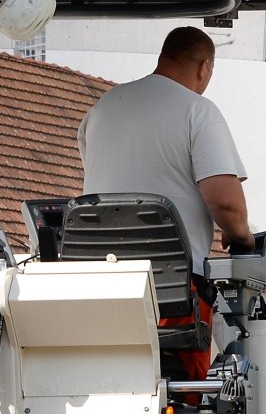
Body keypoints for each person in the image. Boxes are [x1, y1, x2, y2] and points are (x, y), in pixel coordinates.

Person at [79, 26, 255, 376]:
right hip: (170, 290)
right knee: (182, 395)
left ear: (163, 57)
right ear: (204, 68)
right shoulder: (198, 111)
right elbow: (227, 204)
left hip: (100, 285)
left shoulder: (101, 109)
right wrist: (243, 238)